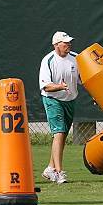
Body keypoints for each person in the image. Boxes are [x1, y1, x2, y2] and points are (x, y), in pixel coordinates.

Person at [39, 31, 80, 185]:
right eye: (65, 42)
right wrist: (60, 87)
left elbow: (84, 79)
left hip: (70, 100)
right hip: (52, 100)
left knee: (61, 136)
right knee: (59, 133)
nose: (68, 44)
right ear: (56, 45)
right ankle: (58, 172)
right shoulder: (48, 60)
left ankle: (50, 168)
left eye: (69, 42)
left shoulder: (76, 58)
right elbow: (46, 87)